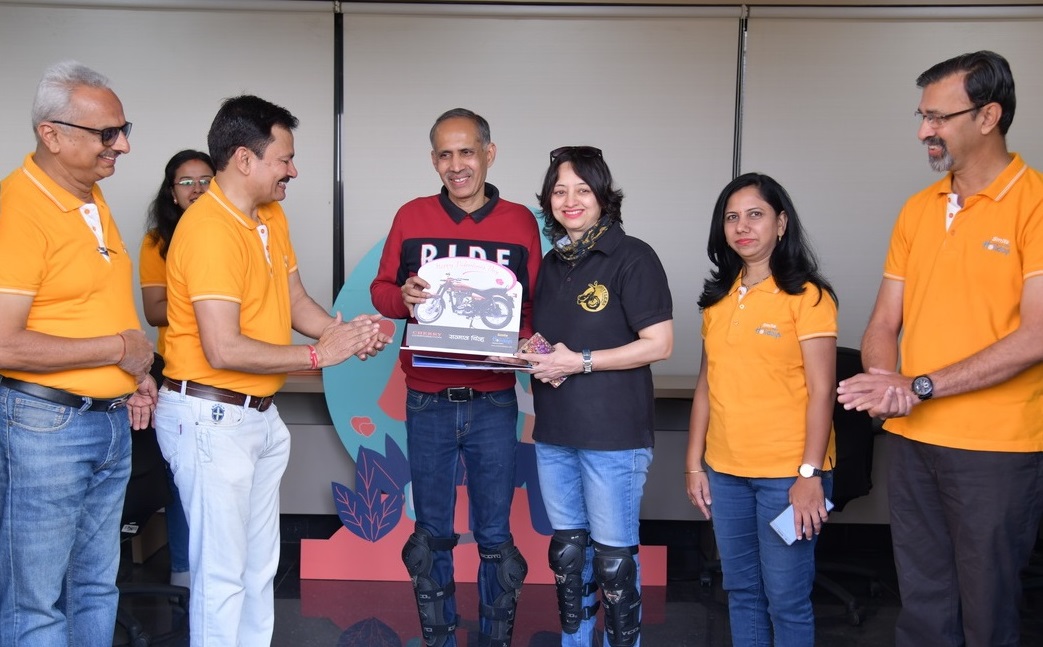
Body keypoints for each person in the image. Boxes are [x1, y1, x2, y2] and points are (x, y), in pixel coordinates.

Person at [154, 95, 389, 646]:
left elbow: (295, 300)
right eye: (284, 159)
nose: (293, 171)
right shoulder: (208, 230)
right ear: (244, 159)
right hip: (210, 417)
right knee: (222, 576)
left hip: (256, 417)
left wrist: (343, 334)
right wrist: (319, 356)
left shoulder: (268, 217)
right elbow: (223, 348)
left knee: (258, 568)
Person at [836, 51, 1043, 647]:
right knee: (923, 607)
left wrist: (918, 386)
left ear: (988, 116)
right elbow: (883, 322)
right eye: (922, 116)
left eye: (937, 117)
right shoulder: (917, 210)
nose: (924, 131)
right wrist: (886, 383)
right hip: (912, 441)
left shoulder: (1034, 204)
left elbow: (1035, 335)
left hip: (995, 449)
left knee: (987, 613)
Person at [370, 108, 542, 647]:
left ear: (489, 153)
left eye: (467, 151)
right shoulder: (411, 215)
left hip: (494, 400)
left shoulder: (520, 222)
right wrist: (402, 296)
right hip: (427, 399)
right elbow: (381, 291)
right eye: (445, 154)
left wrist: (534, 350)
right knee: (430, 538)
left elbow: (534, 308)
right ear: (433, 160)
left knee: (496, 538)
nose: (456, 164)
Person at [0, 60, 156, 645]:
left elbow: (90, 303)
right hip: (46, 427)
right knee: (36, 604)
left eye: (123, 129)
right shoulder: (18, 209)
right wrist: (119, 348)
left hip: (108, 422)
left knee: (95, 587)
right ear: (52, 134)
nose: (124, 145)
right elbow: (4, 340)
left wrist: (135, 373)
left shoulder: (90, 199)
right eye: (107, 133)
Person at [516, 146, 673, 647]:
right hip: (555, 431)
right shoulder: (551, 263)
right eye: (559, 191)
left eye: (582, 189)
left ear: (603, 196)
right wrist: (534, 352)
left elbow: (659, 344)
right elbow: (551, 340)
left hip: (613, 437)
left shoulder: (633, 256)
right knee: (568, 555)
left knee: (613, 562)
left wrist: (579, 361)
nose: (571, 200)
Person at [685, 172, 837, 647]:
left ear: (781, 223)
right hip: (726, 471)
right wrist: (694, 463)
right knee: (742, 592)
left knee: (786, 598)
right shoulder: (718, 299)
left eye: (756, 214)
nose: (742, 226)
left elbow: (823, 390)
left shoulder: (808, 296)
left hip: (787, 476)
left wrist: (809, 474)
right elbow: (706, 385)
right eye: (732, 217)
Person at [139, 149, 216, 589]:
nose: (197, 189)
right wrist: (210, 299)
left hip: (232, 373)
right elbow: (154, 310)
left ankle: (218, 577)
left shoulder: (235, 230)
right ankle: (183, 573)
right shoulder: (158, 242)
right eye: (186, 182)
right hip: (179, 373)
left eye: (206, 179)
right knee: (181, 482)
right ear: (172, 192)